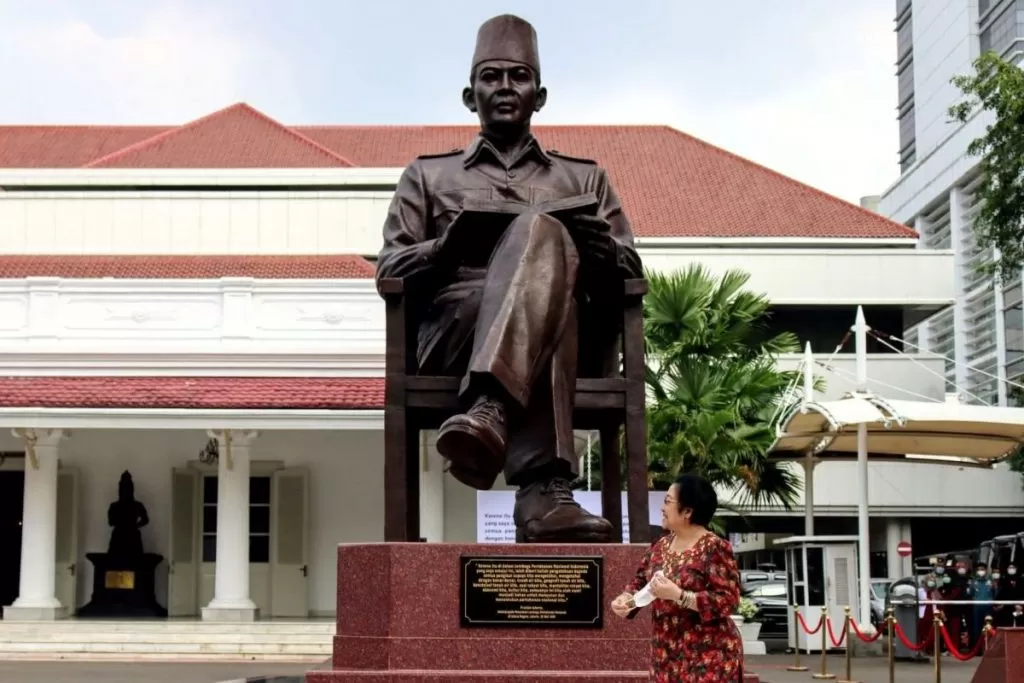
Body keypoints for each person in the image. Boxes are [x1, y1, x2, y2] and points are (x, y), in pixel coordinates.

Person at [375, 14, 643, 543]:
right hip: (457, 331)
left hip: (564, 335)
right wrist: (444, 248)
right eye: (491, 77)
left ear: (539, 95)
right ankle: (545, 494)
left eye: (517, 76)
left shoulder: (583, 177)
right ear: (468, 95)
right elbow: (390, 268)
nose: (504, 88)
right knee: (549, 289)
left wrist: (597, 250)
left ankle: (492, 409)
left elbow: (632, 271)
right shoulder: (428, 176)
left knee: (547, 258)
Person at [609, 473, 743, 682]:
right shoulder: (659, 546)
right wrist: (626, 600)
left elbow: (728, 600)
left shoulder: (715, 548)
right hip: (665, 653)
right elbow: (641, 583)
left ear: (688, 511)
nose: (662, 508)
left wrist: (680, 596)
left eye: (668, 502)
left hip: (708, 656)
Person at [967, 562, 995, 646]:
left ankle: (989, 647)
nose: (980, 571)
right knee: (977, 628)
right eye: (978, 570)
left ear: (986, 570)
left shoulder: (991, 581)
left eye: (982, 569)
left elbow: (995, 593)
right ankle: (977, 649)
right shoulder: (973, 582)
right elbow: (970, 594)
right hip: (977, 608)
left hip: (988, 608)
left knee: (989, 627)